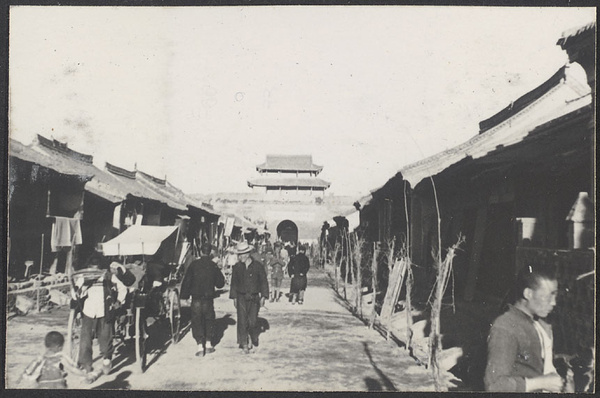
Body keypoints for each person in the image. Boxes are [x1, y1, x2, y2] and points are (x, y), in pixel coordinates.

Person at [484, 264, 565, 392]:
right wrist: (540, 383)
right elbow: (494, 386)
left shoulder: (539, 323)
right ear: (528, 293)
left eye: (555, 296)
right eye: (549, 296)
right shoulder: (505, 327)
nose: (553, 302)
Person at [72, 252, 128, 376]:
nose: (94, 270)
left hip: (105, 311)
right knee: (85, 339)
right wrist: (81, 289)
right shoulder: (84, 277)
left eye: (96, 267)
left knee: (106, 338)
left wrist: (119, 301)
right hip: (89, 311)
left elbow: (122, 288)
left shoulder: (108, 276)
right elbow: (75, 293)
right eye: (92, 267)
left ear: (101, 267)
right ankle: (87, 364)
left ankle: (107, 360)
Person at [181, 243, 225, 357]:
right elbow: (220, 283)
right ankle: (209, 344)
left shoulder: (193, 265)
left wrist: (184, 296)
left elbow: (187, 281)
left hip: (196, 298)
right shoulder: (213, 265)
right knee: (209, 318)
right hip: (208, 298)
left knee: (196, 319)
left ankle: (200, 346)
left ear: (200, 252)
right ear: (210, 252)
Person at [229, 242, 269, 354]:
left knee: (252, 321)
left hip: (254, 297)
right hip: (241, 297)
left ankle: (251, 336)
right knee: (242, 321)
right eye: (238, 254)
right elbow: (234, 283)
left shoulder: (258, 266)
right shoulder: (237, 267)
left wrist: (264, 296)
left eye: (240, 254)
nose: (239, 257)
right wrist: (234, 298)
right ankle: (244, 343)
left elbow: (263, 282)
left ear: (247, 254)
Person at [20, 331, 89, 388]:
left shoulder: (39, 359)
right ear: (59, 347)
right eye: (62, 347)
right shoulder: (60, 359)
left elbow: (27, 373)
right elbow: (73, 370)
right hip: (59, 386)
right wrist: (85, 375)